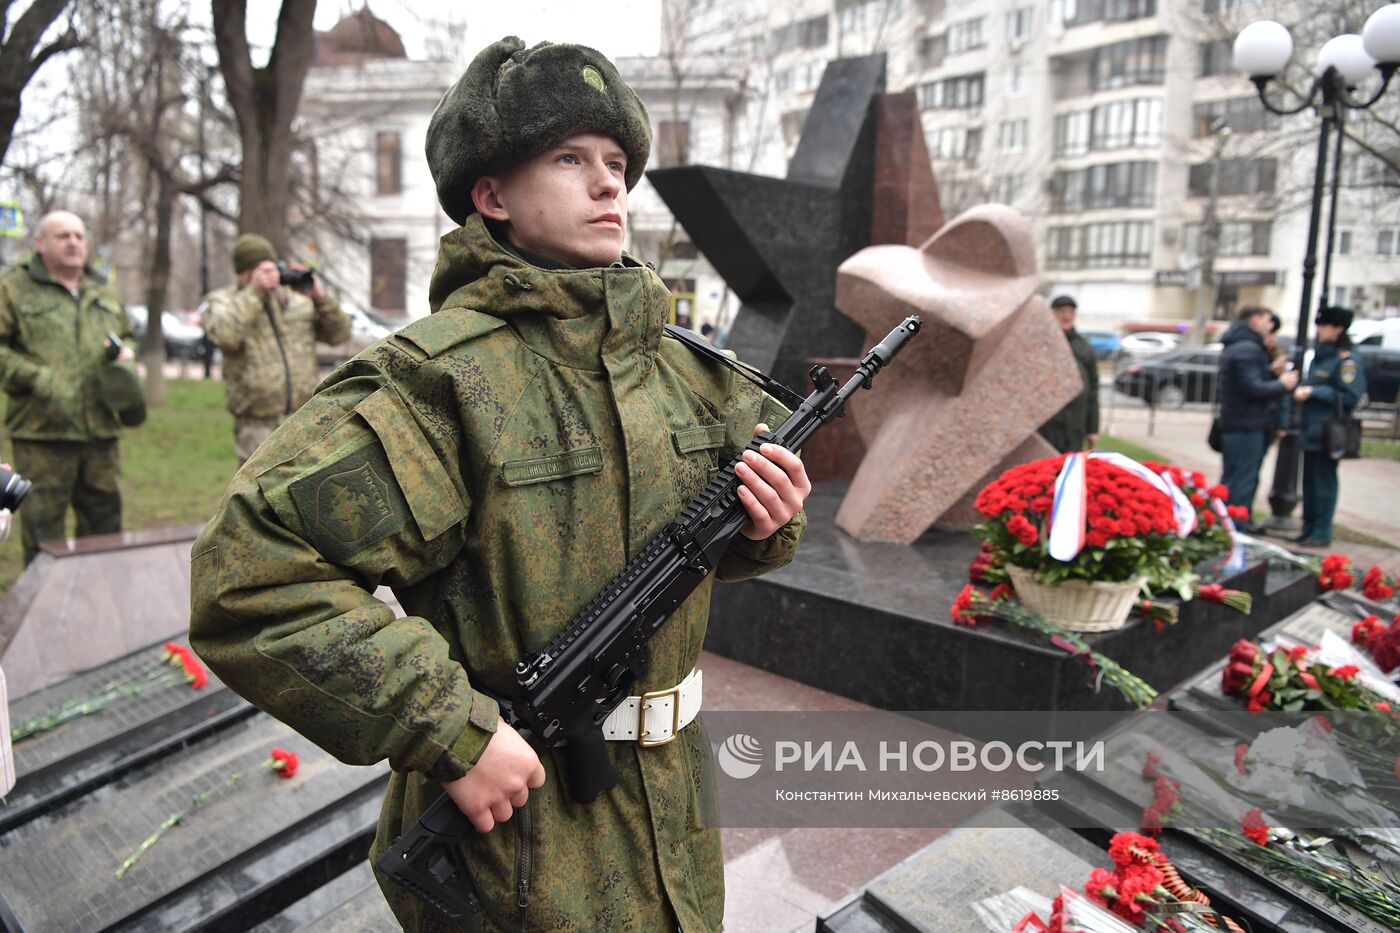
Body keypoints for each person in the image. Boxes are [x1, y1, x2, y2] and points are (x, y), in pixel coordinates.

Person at [188, 37, 810, 932]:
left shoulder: (685, 370)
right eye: (569, 159)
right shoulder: (443, 384)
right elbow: (252, 572)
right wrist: (447, 728)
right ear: (491, 196)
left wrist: (763, 521)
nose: (609, 187)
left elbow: (708, 541)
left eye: (617, 164)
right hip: (520, 835)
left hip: (674, 809)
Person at [0, 211, 135, 564]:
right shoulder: (13, 288)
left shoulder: (102, 289)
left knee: (105, 531)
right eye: (63, 236)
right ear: (40, 243)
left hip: (101, 432)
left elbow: (127, 334)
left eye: (79, 235)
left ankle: (101, 607)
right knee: (44, 536)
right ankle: (44, 615)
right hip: (42, 434)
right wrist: (37, 378)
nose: (73, 242)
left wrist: (126, 356)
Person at [201, 234, 351, 463]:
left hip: (304, 419)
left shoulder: (296, 300)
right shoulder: (225, 301)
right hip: (256, 425)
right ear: (244, 273)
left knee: (307, 492)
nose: (269, 275)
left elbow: (339, 335)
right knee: (260, 494)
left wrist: (321, 298)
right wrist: (255, 293)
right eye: (260, 270)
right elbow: (225, 335)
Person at [1215, 305, 1299, 530]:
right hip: (1246, 424)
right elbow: (1251, 388)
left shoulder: (1242, 346)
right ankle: (1235, 527)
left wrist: (1270, 373)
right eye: (1267, 320)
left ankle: (1234, 523)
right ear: (1254, 320)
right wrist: (1281, 384)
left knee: (1237, 478)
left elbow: (1248, 381)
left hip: (1242, 422)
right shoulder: (1247, 349)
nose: (1270, 326)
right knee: (1241, 480)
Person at [1291, 305, 1366, 548]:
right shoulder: (1321, 356)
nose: (1320, 331)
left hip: (1329, 432)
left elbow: (1350, 395)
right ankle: (1309, 527)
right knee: (1309, 483)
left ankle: (1322, 531)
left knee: (1324, 483)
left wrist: (1314, 391)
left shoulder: (1347, 360)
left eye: (1324, 326)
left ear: (1338, 328)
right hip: (1311, 428)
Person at [1039, 294, 1100, 453]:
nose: (1066, 316)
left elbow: (1093, 388)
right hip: (1047, 424)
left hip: (1075, 424)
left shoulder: (1083, 347)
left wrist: (1092, 428)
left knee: (1071, 467)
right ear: (1052, 314)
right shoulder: (1042, 343)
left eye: (1070, 312)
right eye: (1062, 311)